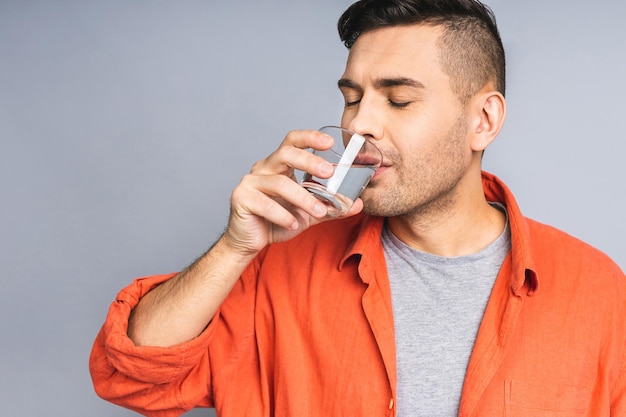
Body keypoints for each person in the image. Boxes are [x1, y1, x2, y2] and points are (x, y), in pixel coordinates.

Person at [89, 0, 625, 416]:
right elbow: (132, 376)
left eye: (397, 99)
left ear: (482, 120)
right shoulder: (277, 268)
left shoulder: (599, 294)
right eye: (352, 97)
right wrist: (235, 247)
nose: (358, 125)